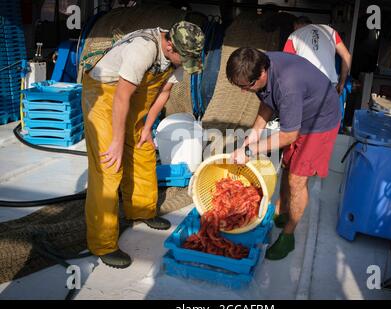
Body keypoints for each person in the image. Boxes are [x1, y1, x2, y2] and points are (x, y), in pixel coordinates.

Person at [81, 21, 205, 268]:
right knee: (109, 166)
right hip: (105, 92)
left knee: (142, 149)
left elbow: (163, 93)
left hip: (133, 95)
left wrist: (147, 129)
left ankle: (141, 210)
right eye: (182, 58)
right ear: (169, 44)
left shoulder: (178, 56)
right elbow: (121, 96)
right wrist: (116, 141)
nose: (183, 64)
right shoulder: (143, 49)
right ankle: (103, 244)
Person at [227, 48, 340, 260]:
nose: (243, 92)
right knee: (287, 165)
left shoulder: (288, 85)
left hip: (320, 121)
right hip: (299, 114)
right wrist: (255, 132)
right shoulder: (260, 63)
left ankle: (289, 235)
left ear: (261, 74)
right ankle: (281, 211)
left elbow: (288, 136)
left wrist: (250, 150)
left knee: (297, 179)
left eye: (245, 87)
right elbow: (268, 100)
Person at [283, 16, 352, 95]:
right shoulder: (330, 31)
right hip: (328, 85)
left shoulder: (294, 35)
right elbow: (347, 56)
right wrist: (342, 83)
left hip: (305, 85)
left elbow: (286, 64)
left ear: (296, 25)